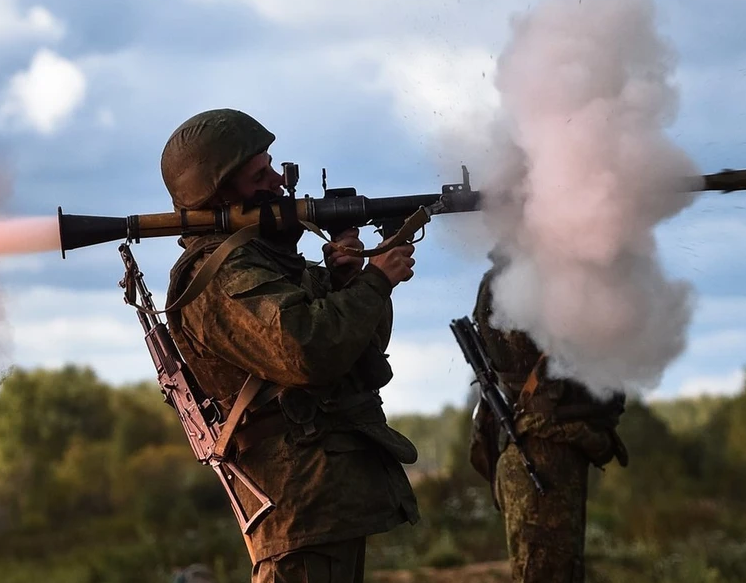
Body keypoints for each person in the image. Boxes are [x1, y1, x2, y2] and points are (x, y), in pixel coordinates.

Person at [160, 108, 420, 583]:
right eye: (260, 174)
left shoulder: (267, 262)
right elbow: (309, 351)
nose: (279, 180)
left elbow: (358, 353)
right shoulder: (220, 275)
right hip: (297, 507)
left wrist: (349, 281)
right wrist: (377, 281)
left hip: (322, 502)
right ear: (221, 194)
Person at [469, 253, 629, 583]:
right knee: (548, 570)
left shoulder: (515, 280)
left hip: (541, 447)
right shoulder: (525, 283)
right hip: (541, 453)